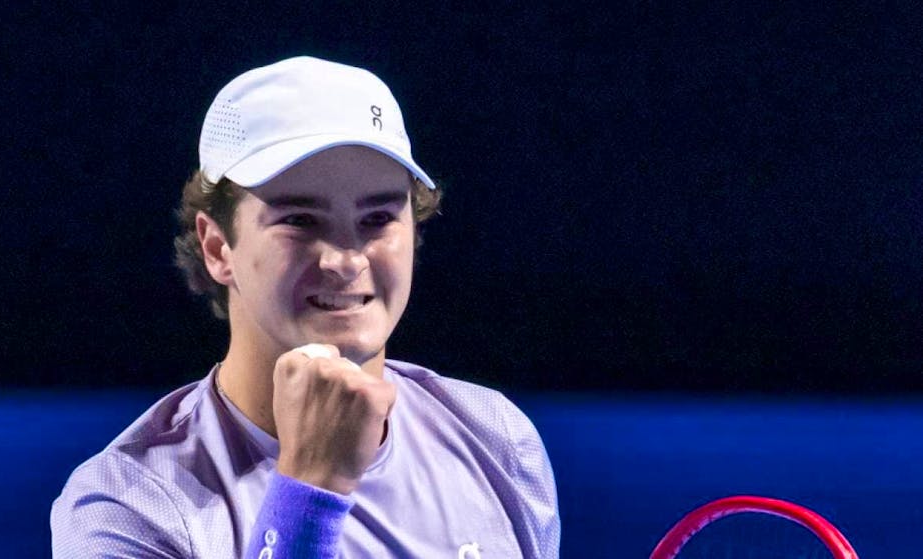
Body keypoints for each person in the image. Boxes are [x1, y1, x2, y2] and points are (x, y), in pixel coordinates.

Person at [51, 56, 560, 558]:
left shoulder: (495, 437)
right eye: (300, 220)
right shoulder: (124, 507)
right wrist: (312, 485)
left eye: (378, 217)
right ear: (216, 247)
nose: (345, 259)